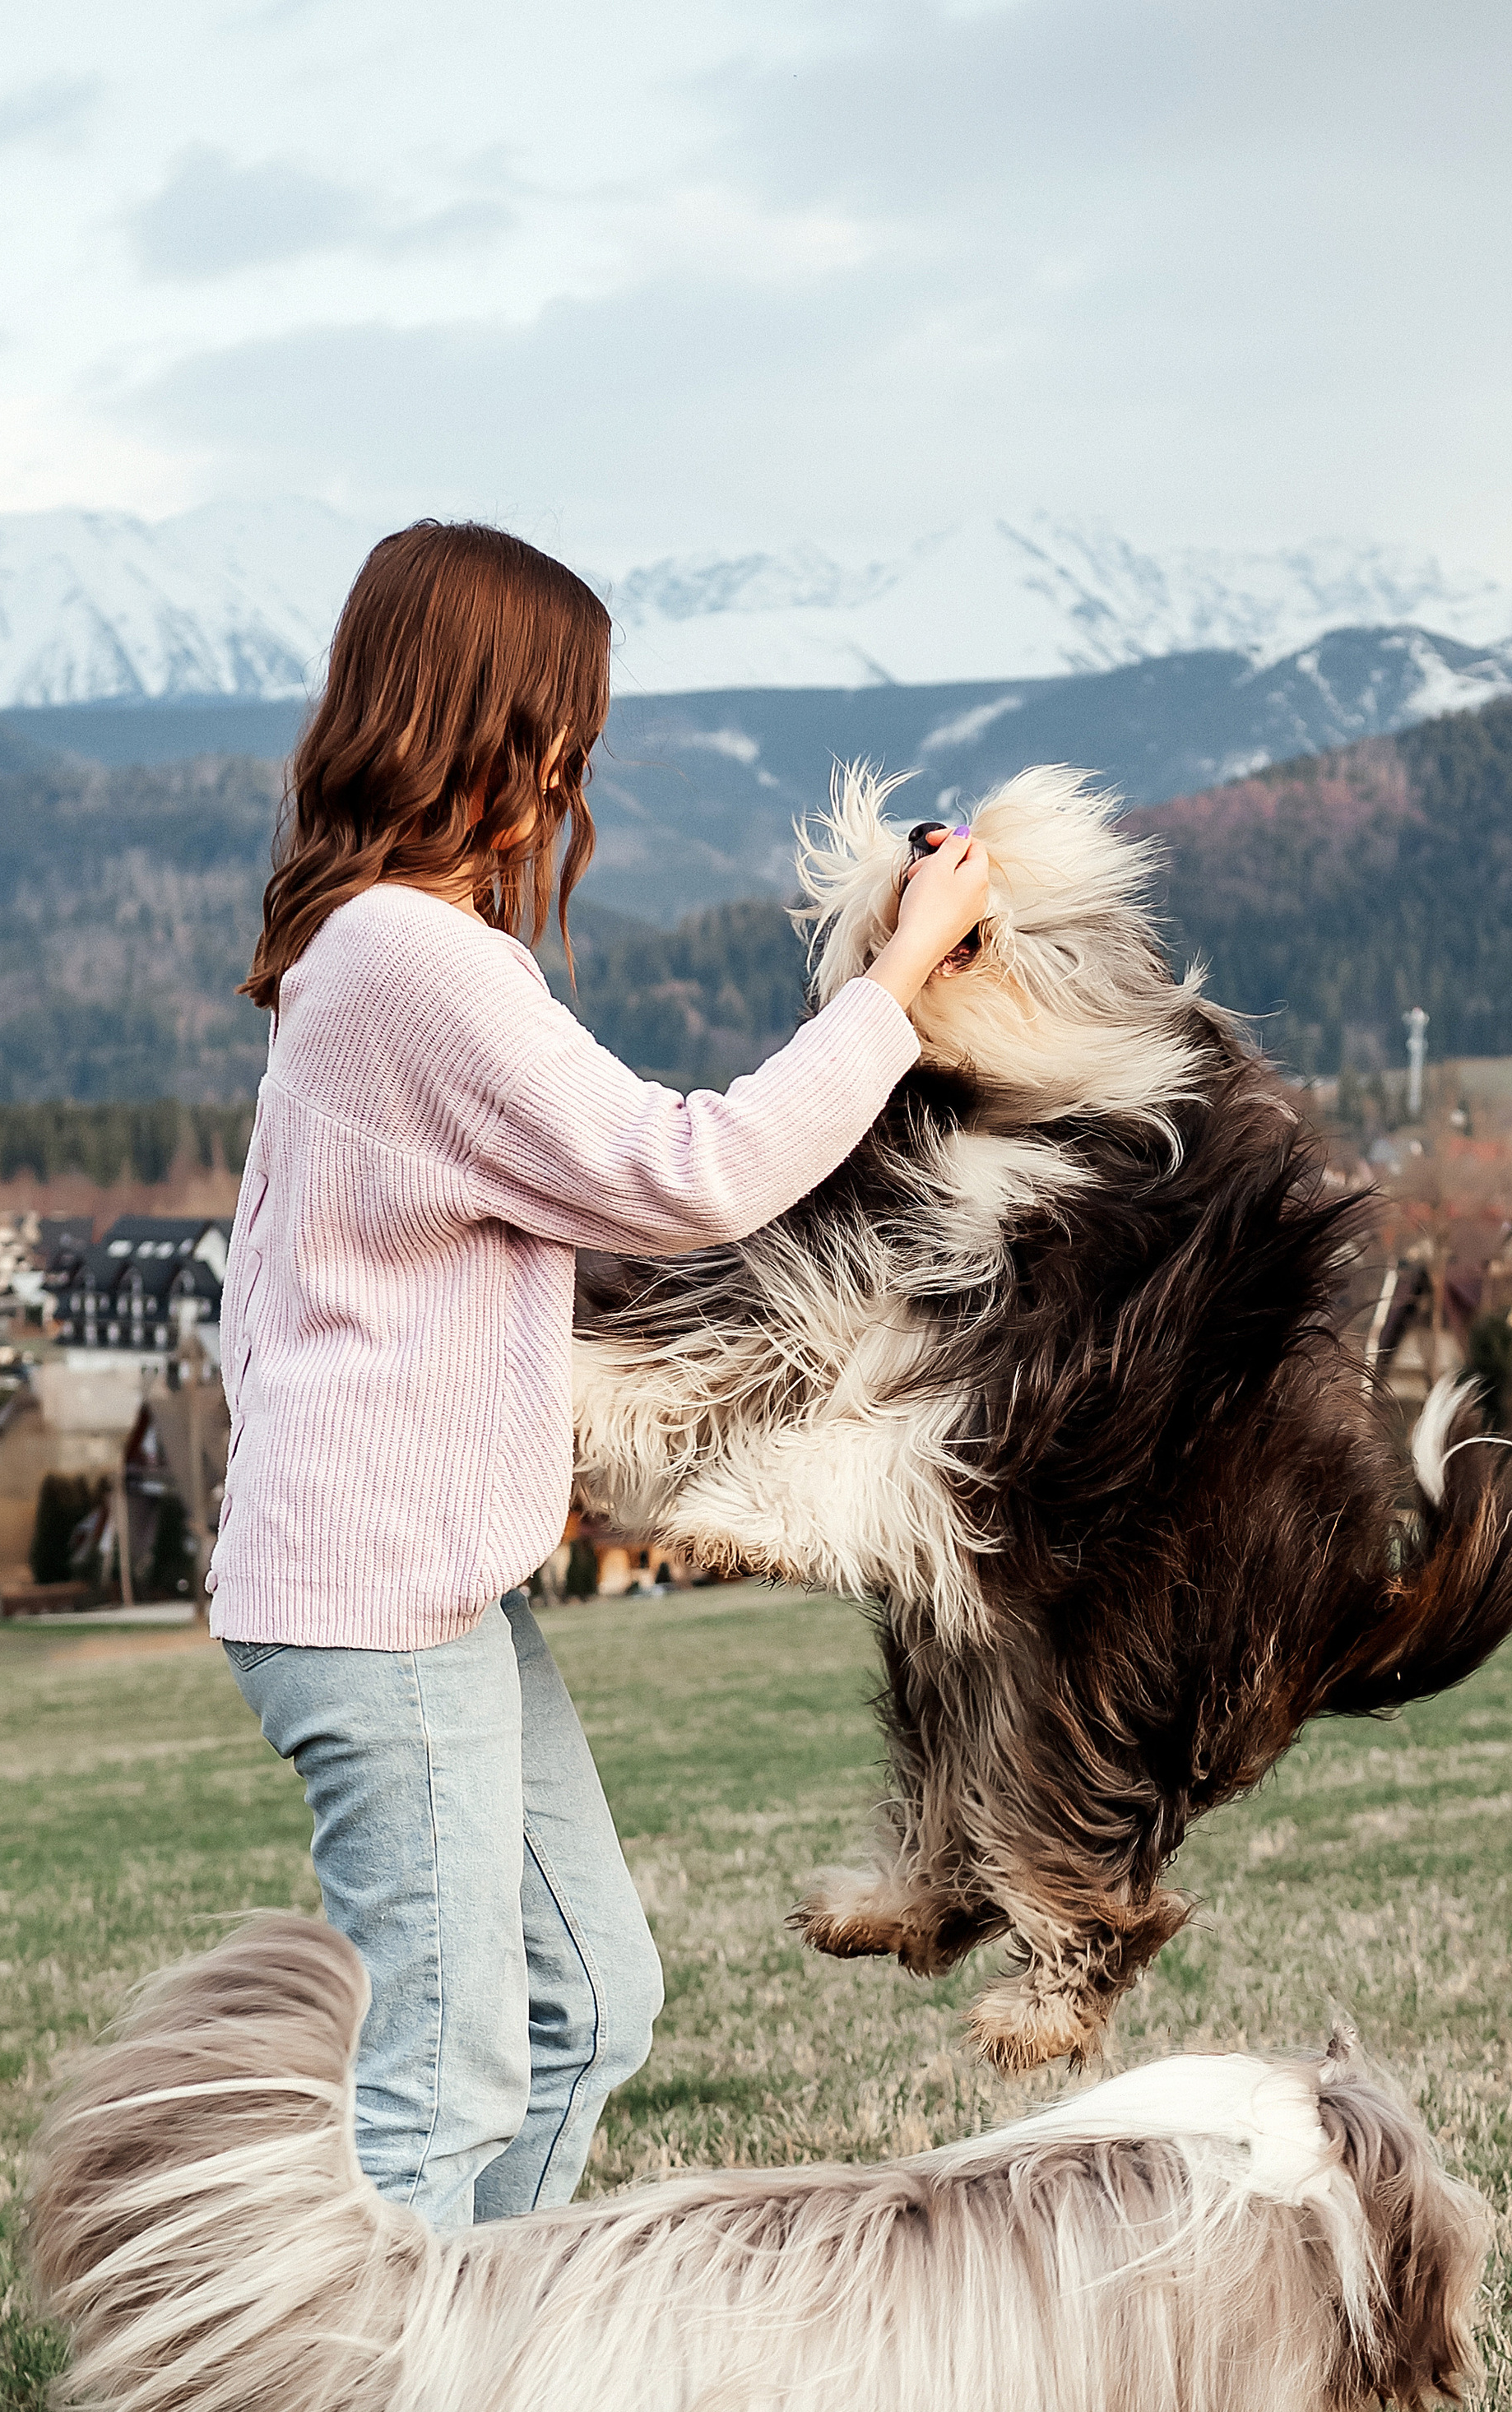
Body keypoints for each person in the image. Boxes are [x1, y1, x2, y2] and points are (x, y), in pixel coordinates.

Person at [208, 519, 988, 2229]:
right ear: (487, 722)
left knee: (587, 2007)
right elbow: (689, 1171)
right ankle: (364, 2407)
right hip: (377, 1605)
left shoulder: (364, 948)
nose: (574, 770)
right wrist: (896, 984)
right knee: (446, 2078)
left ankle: (484, 2363)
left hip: (417, 1586)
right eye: (564, 728)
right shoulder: (412, 964)